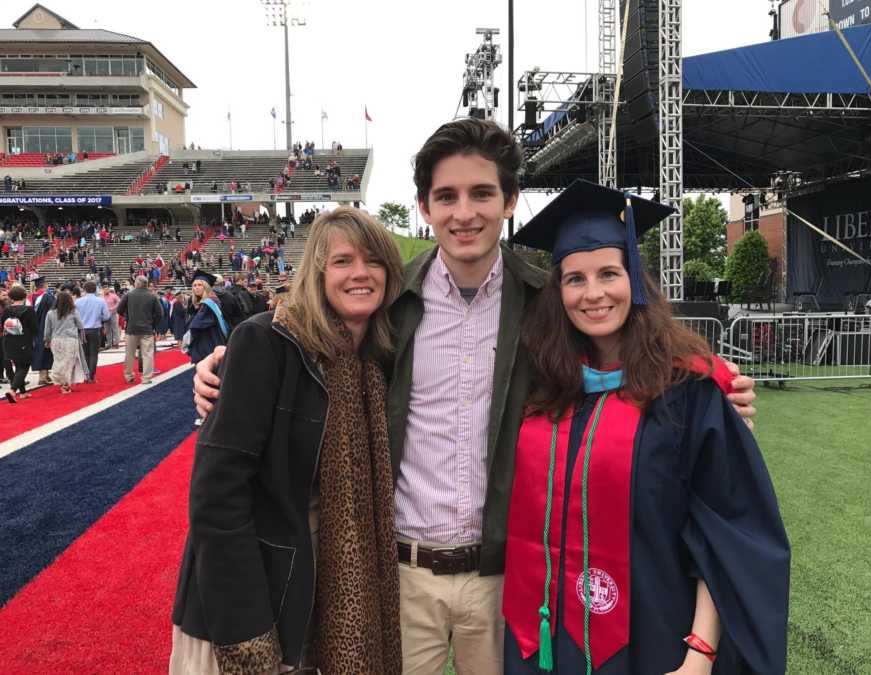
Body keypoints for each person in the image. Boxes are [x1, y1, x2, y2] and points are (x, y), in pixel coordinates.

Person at [193, 118, 759, 674]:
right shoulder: (393, 302)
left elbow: (620, 362)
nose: (465, 213)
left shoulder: (546, 305)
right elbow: (316, 348)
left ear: (510, 200)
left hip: (508, 579)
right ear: (425, 207)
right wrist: (226, 363)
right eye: (447, 196)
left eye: (482, 193)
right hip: (400, 575)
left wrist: (711, 391)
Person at [502, 180, 790, 674]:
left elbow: (727, 530)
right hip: (546, 641)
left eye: (608, 273)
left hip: (656, 638)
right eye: (575, 279)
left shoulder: (686, 390)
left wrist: (699, 655)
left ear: (635, 278)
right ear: (558, 290)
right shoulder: (542, 385)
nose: (593, 294)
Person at [170, 207, 405, 674]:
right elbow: (218, 497)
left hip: (321, 589)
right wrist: (248, 634)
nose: (360, 273)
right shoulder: (267, 342)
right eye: (342, 261)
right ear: (317, 272)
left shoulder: (376, 362)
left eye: (373, 261)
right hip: (253, 602)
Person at [117, 275, 162, 384]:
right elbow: (160, 314)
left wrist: (128, 316)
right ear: (146, 284)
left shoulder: (128, 295)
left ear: (136, 284)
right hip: (147, 329)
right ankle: (146, 378)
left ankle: (128, 375)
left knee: (130, 354)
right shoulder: (152, 296)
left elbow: (119, 310)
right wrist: (154, 326)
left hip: (131, 329)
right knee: (147, 354)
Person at [44, 289, 88, 394]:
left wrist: (47, 340)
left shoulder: (50, 313)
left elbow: (47, 330)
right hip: (70, 340)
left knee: (58, 361)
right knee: (69, 363)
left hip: (56, 340)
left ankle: (60, 379)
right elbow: (80, 325)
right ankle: (65, 384)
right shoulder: (73, 311)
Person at [2, 285, 38, 403]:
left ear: (11, 297)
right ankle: (13, 391)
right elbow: (34, 328)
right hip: (24, 341)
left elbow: (2, 325)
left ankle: (23, 392)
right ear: (24, 296)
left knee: (18, 366)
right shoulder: (29, 310)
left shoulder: (7, 310)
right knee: (24, 367)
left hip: (9, 341)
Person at [75, 280, 110, 382]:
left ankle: (86, 375)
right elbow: (107, 316)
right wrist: (99, 318)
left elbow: (74, 316)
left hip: (82, 330)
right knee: (94, 353)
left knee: (85, 353)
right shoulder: (100, 301)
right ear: (95, 289)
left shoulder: (78, 301)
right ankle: (91, 375)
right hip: (95, 329)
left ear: (84, 289)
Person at [29, 276, 55, 385]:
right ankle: (43, 376)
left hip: (33, 329)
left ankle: (46, 375)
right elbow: (54, 311)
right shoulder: (48, 297)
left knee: (38, 350)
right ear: (45, 285)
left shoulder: (30, 298)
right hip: (45, 327)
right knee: (46, 350)